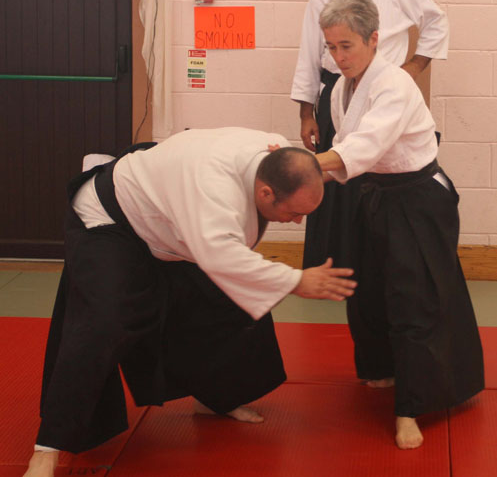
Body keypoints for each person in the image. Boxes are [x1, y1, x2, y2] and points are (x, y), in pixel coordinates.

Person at [23, 127, 357, 477]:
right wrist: (297, 281)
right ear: (266, 192)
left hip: (169, 218)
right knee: (102, 324)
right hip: (111, 220)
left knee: (229, 302)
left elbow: (228, 261)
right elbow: (222, 259)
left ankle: (216, 396)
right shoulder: (213, 193)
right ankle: (48, 447)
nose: (299, 220)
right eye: (294, 213)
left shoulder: (272, 152)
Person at [314, 0, 483, 449]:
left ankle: (412, 407)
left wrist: (303, 166)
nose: (338, 56)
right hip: (375, 194)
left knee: (415, 298)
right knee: (366, 288)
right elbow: (347, 154)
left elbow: (363, 146)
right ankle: (383, 368)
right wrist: (292, 173)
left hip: (418, 200)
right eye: (331, 47)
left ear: (373, 39)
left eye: (346, 45)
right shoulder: (342, 88)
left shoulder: (395, 84)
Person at [291, 0, 449, 270]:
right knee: (338, 183)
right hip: (338, 88)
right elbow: (308, 59)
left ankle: (367, 261)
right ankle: (335, 265)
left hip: (386, 95)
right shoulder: (322, 0)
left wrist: (415, 66)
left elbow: (436, 21)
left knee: (364, 171)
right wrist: (306, 114)